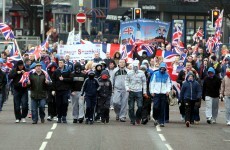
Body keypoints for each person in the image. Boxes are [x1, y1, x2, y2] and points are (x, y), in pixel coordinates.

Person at [149, 62, 172, 127]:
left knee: (162, 108)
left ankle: (161, 121)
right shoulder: (155, 74)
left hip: (164, 94)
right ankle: (156, 118)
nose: (162, 69)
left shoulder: (167, 75)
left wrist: (168, 91)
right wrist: (152, 91)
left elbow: (169, 83)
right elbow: (152, 83)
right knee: (156, 107)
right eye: (161, 68)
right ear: (159, 68)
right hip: (156, 93)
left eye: (164, 68)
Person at [125, 60, 147, 125]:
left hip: (139, 91)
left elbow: (144, 83)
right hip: (131, 91)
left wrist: (144, 92)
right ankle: (132, 119)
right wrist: (127, 88)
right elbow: (126, 81)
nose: (135, 68)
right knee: (131, 107)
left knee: (140, 106)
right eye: (134, 66)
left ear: (138, 66)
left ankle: (138, 117)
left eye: (136, 66)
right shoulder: (129, 73)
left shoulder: (142, 73)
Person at [52, 59, 72, 123]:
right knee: (58, 104)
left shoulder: (68, 70)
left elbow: (71, 79)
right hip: (58, 90)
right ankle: (59, 117)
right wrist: (53, 89)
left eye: (61, 63)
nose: (60, 64)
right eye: (59, 63)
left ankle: (64, 116)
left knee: (65, 103)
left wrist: (64, 79)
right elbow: (53, 81)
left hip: (65, 90)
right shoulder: (56, 71)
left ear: (64, 63)